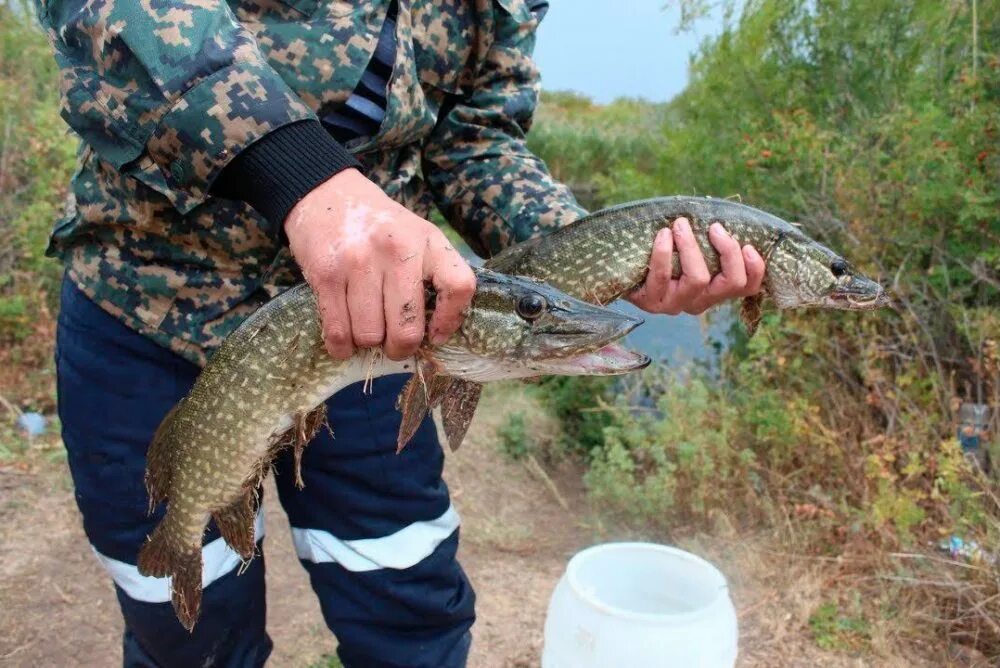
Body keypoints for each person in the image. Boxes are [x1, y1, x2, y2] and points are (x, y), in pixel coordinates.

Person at [37, 1, 765, 666]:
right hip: (145, 304)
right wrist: (301, 173)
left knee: (405, 601)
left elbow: (474, 137)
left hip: (383, 336)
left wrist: (602, 259)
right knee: (187, 635)